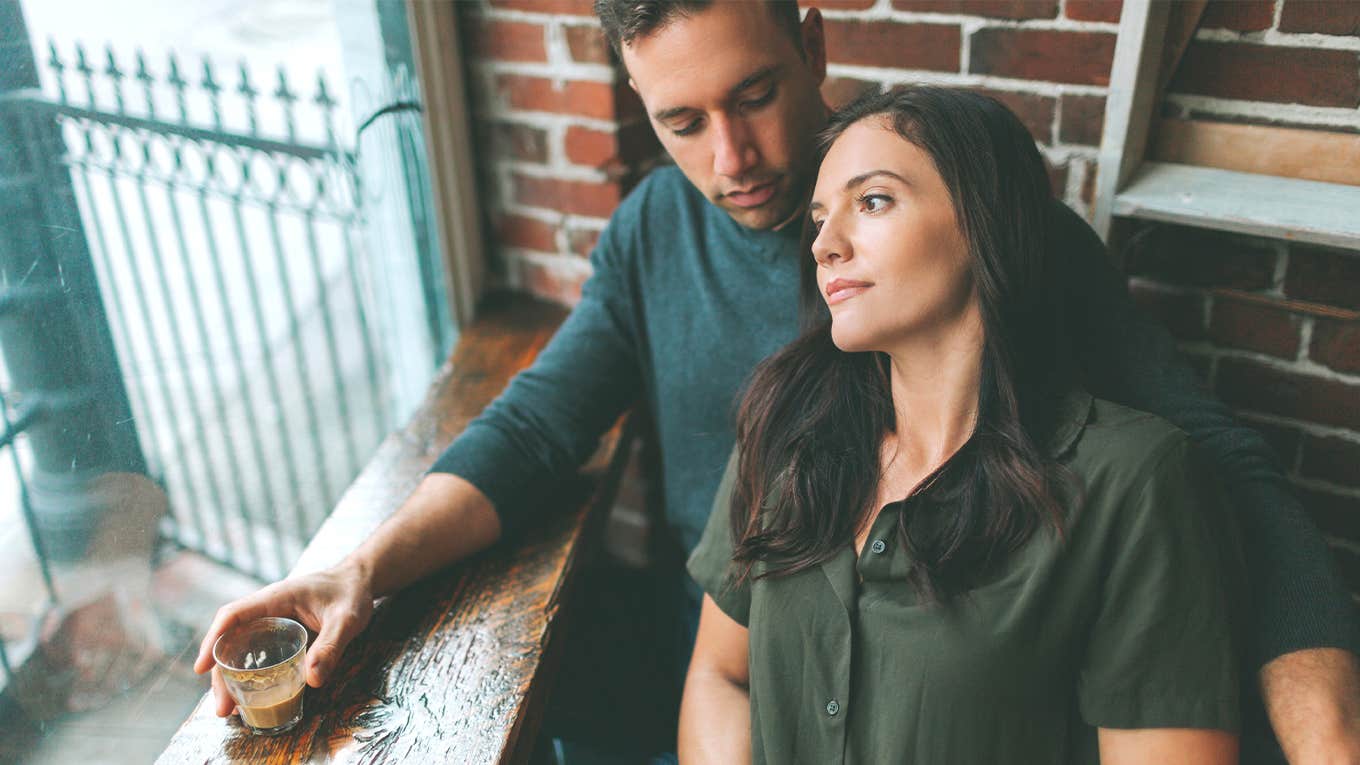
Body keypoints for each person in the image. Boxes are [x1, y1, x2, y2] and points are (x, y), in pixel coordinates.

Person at [193, 2, 1360, 762]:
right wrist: (353, 573)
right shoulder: (658, 232)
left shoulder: (1001, 247)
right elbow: (540, 425)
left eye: (751, 96)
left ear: (810, 42)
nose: (730, 160)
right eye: (682, 122)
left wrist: (1324, 748)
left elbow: (1221, 471)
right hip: (741, 675)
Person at [682, 85, 1241, 764]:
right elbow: (720, 674)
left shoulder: (1132, 480)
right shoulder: (784, 430)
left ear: (984, 221)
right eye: (820, 218)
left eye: (874, 201)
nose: (826, 244)